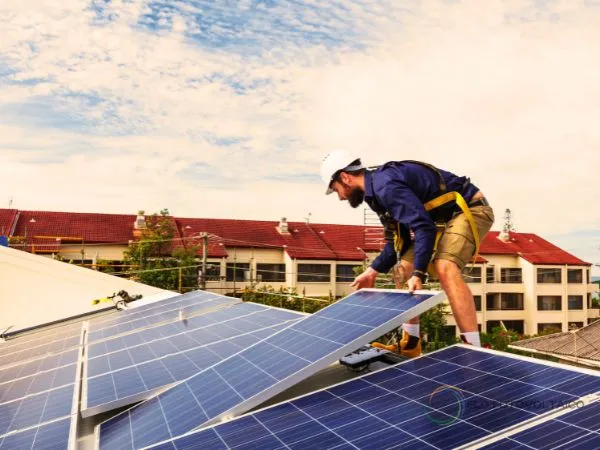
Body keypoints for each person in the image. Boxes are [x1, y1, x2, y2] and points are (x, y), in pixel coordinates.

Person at [321, 150, 494, 357]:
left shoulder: (386, 186)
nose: (340, 197)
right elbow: (397, 242)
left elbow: (423, 227)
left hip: (470, 209)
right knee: (403, 269)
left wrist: (419, 273)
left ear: (345, 177)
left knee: (444, 266)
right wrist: (372, 271)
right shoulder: (375, 193)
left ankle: (473, 349)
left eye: (336, 189)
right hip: (439, 219)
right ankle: (411, 343)